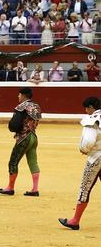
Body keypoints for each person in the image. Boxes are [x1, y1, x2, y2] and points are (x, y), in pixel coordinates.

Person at [59, 97, 101, 230]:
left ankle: (75, 220)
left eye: (86, 108)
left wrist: (84, 150)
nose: (86, 111)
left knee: (85, 188)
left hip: (96, 158)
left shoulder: (92, 120)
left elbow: (88, 142)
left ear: (90, 107)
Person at [0, 88, 42, 196]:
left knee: (13, 162)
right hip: (33, 137)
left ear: (23, 95)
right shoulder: (36, 106)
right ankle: (35, 189)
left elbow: (14, 124)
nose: (18, 97)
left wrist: (14, 129)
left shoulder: (21, 107)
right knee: (33, 162)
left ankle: (10, 188)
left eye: (19, 95)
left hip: (23, 138)